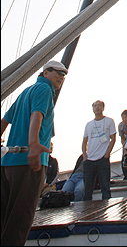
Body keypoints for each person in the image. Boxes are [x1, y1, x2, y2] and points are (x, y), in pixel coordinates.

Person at [1, 59, 68, 246]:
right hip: (29, 164)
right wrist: (34, 144)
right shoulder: (45, 89)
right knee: (19, 223)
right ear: (45, 72)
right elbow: (36, 115)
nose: (62, 77)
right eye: (58, 72)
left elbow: (5, 120)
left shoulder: (25, 92)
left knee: (5, 220)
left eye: (64, 75)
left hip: (7, 165)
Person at [82, 100, 116, 201]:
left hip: (102, 159)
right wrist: (85, 155)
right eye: (95, 106)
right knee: (87, 190)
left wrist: (107, 154)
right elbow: (84, 141)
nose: (97, 108)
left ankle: (106, 210)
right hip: (90, 160)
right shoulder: (89, 125)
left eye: (99, 106)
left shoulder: (109, 121)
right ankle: (87, 212)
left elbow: (113, 138)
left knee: (105, 187)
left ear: (103, 108)